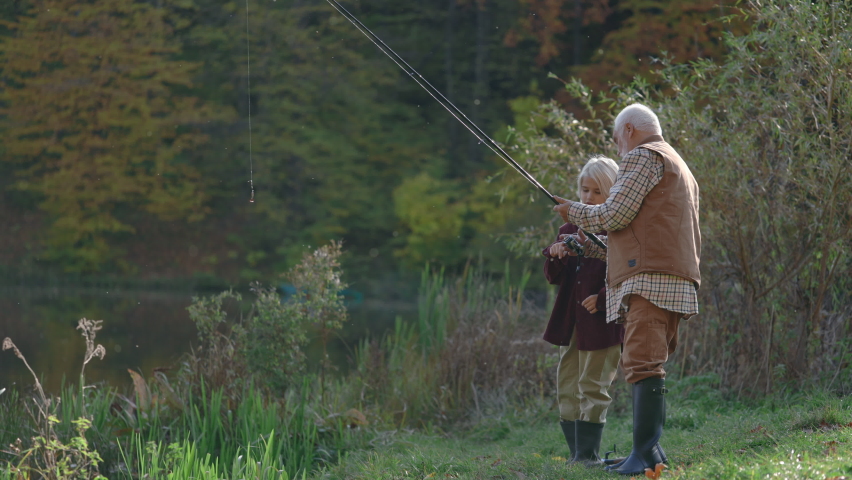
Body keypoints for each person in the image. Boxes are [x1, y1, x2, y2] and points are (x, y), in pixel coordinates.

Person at [552, 104, 701, 476]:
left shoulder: (643, 156)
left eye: (617, 137)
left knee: (642, 363)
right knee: (646, 361)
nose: (618, 146)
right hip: (669, 275)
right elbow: (630, 232)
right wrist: (582, 243)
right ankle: (650, 452)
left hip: (650, 279)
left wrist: (573, 212)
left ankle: (646, 456)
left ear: (630, 130)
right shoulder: (675, 164)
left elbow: (613, 214)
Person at [542, 155, 623, 467]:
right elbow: (553, 277)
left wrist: (602, 297)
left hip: (604, 322)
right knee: (568, 382)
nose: (588, 198)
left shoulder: (619, 229)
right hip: (572, 322)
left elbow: (628, 273)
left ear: (613, 194)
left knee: (593, 384)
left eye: (597, 192)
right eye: (584, 190)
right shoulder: (570, 226)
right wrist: (557, 254)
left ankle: (588, 455)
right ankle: (578, 456)